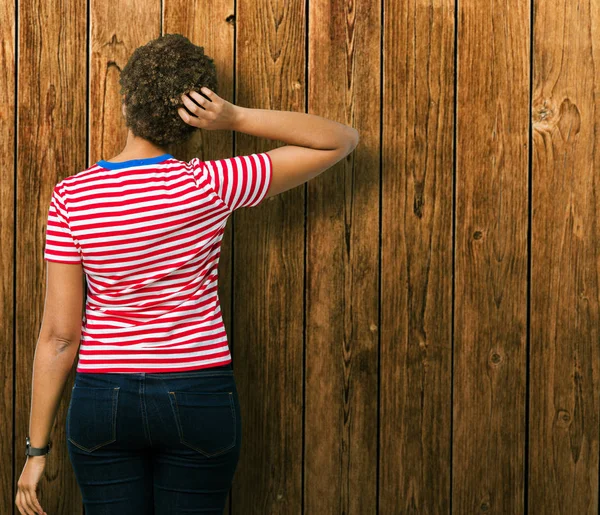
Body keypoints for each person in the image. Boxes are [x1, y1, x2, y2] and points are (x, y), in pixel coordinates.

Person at [15, 33, 359, 515]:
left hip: (103, 396)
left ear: (126, 102)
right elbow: (341, 139)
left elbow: (58, 337)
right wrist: (236, 117)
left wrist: (36, 451)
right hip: (197, 392)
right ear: (197, 113)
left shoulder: (72, 196)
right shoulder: (211, 184)